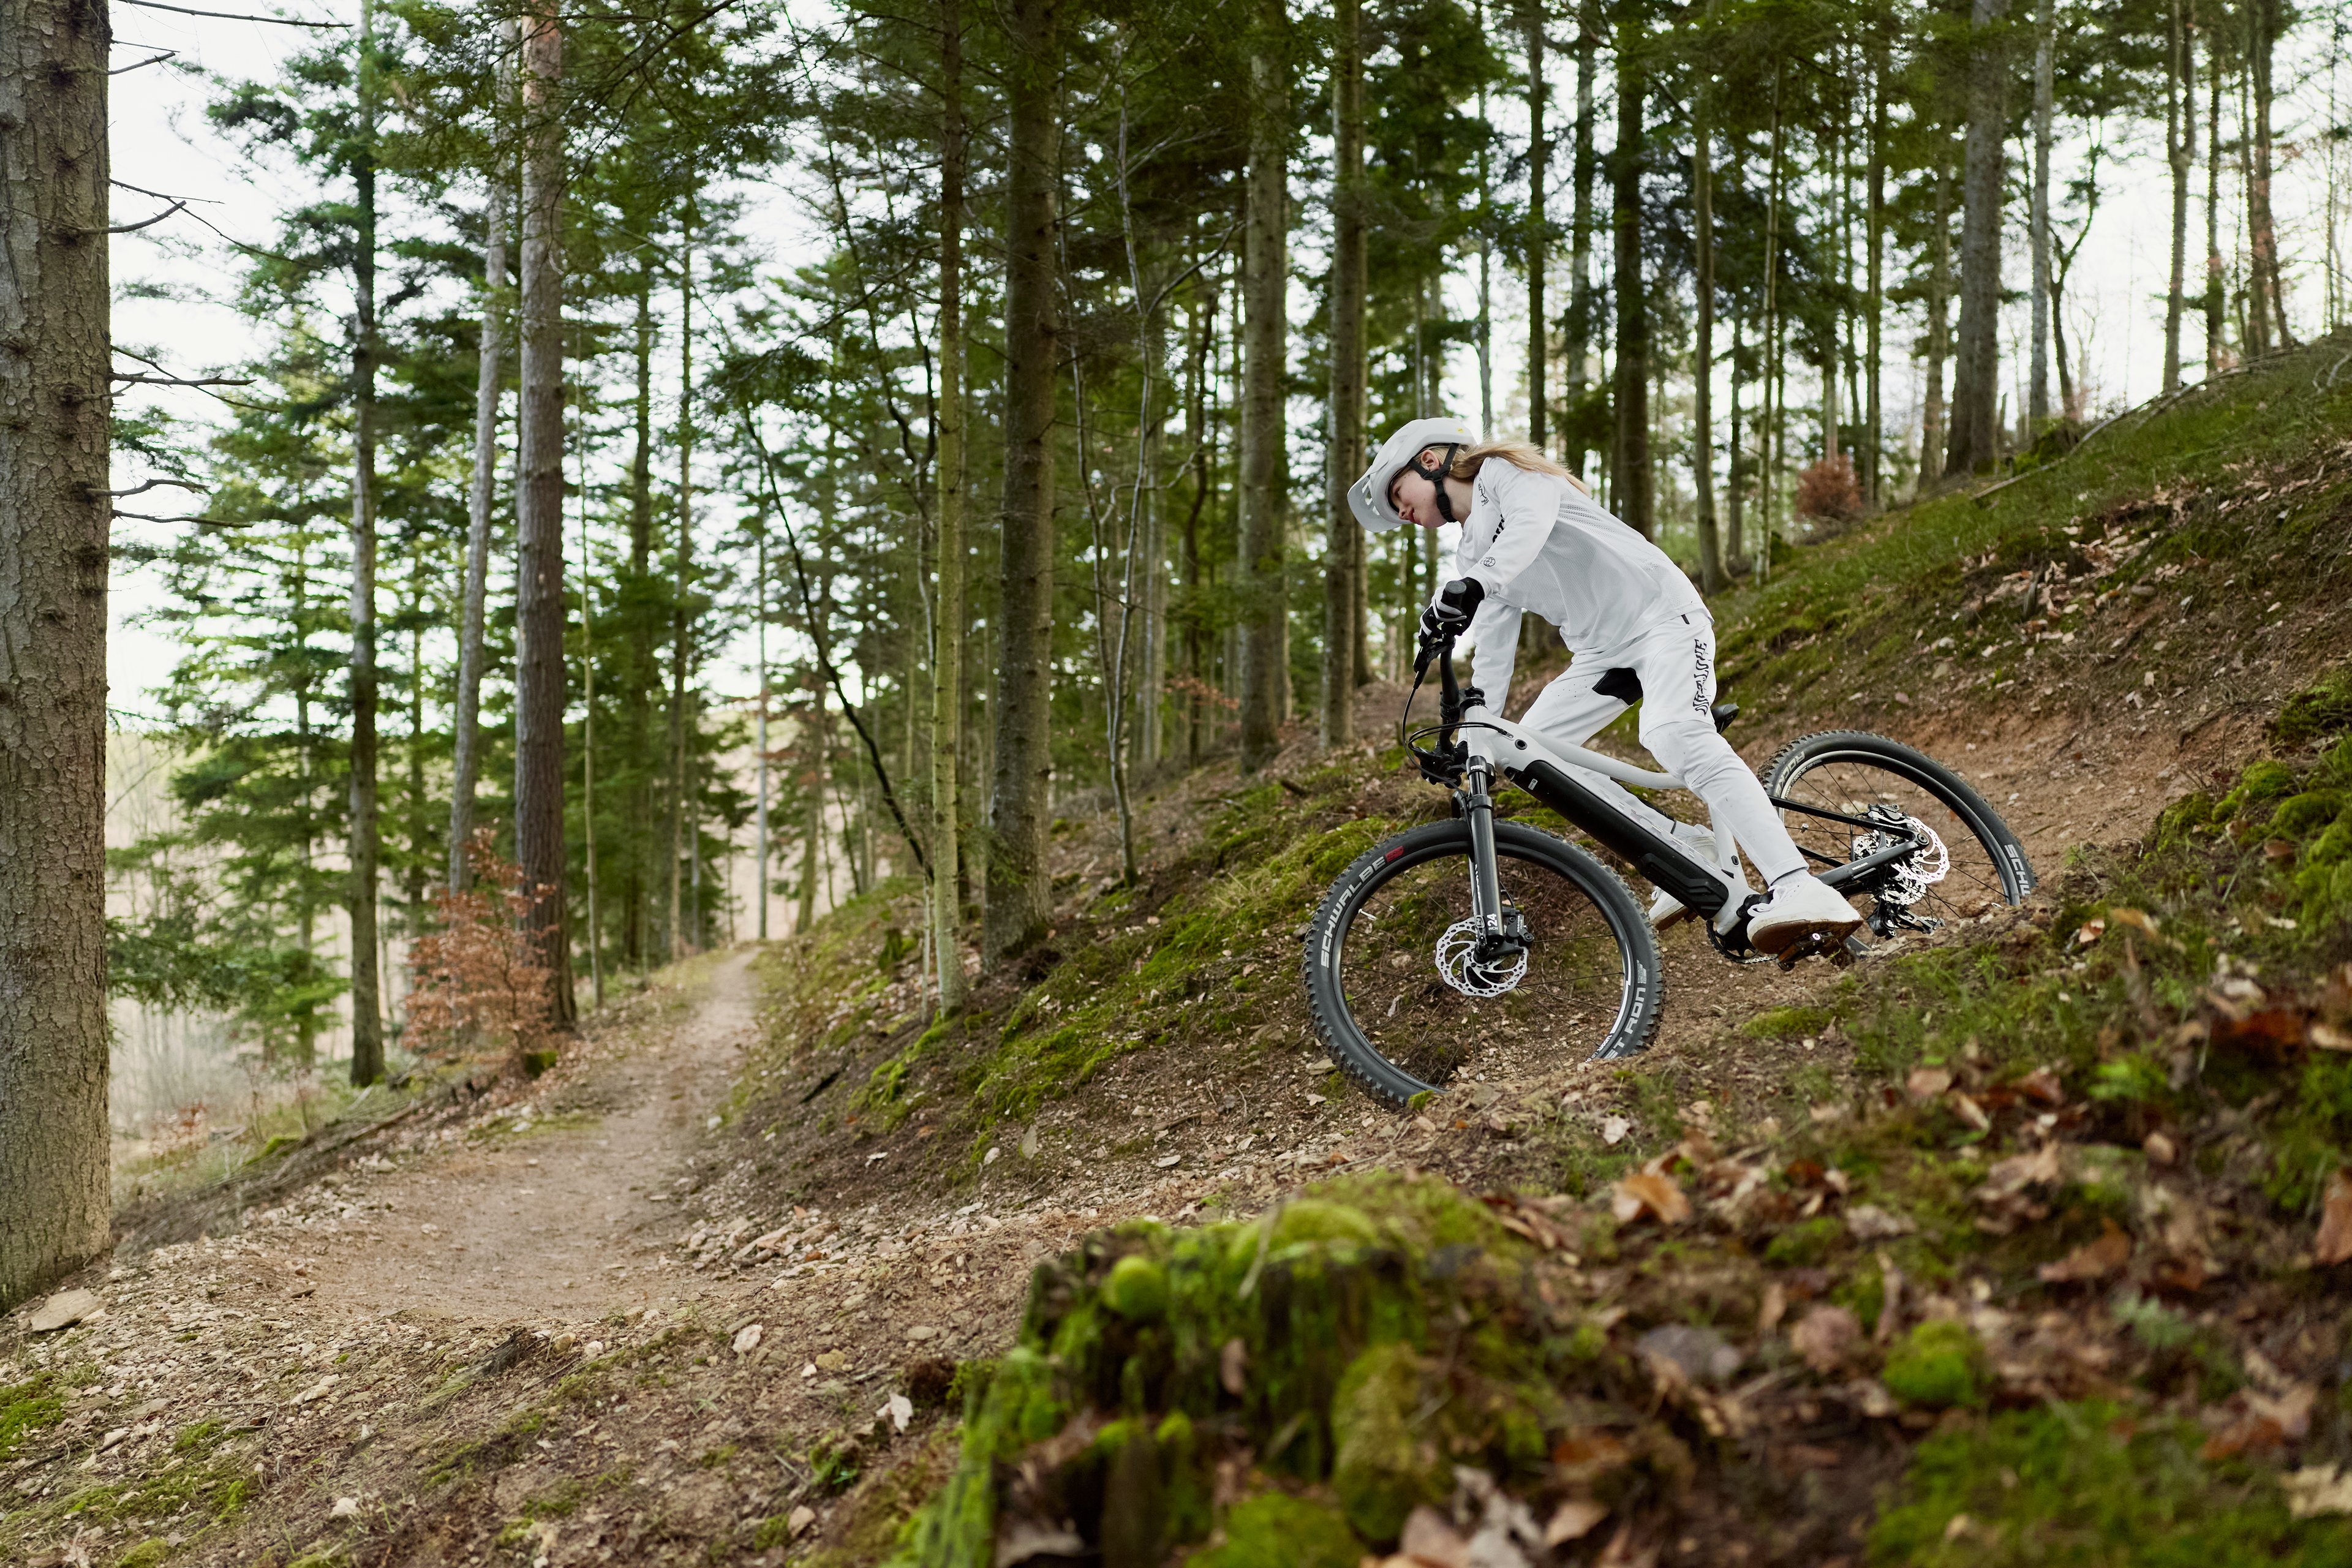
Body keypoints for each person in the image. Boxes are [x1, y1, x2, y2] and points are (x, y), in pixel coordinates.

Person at [1345, 415, 1862, 957]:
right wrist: (1473, 736)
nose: (1401, 513)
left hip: (1663, 619)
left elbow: (1528, 524)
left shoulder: (1505, 473)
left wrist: (1474, 584)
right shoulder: (1471, 554)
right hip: (1601, 654)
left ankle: (1796, 883)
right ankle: (1686, 846)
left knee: (1672, 733)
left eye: (1397, 494)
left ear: (1430, 461)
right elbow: (1494, 653)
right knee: (1530, 754)